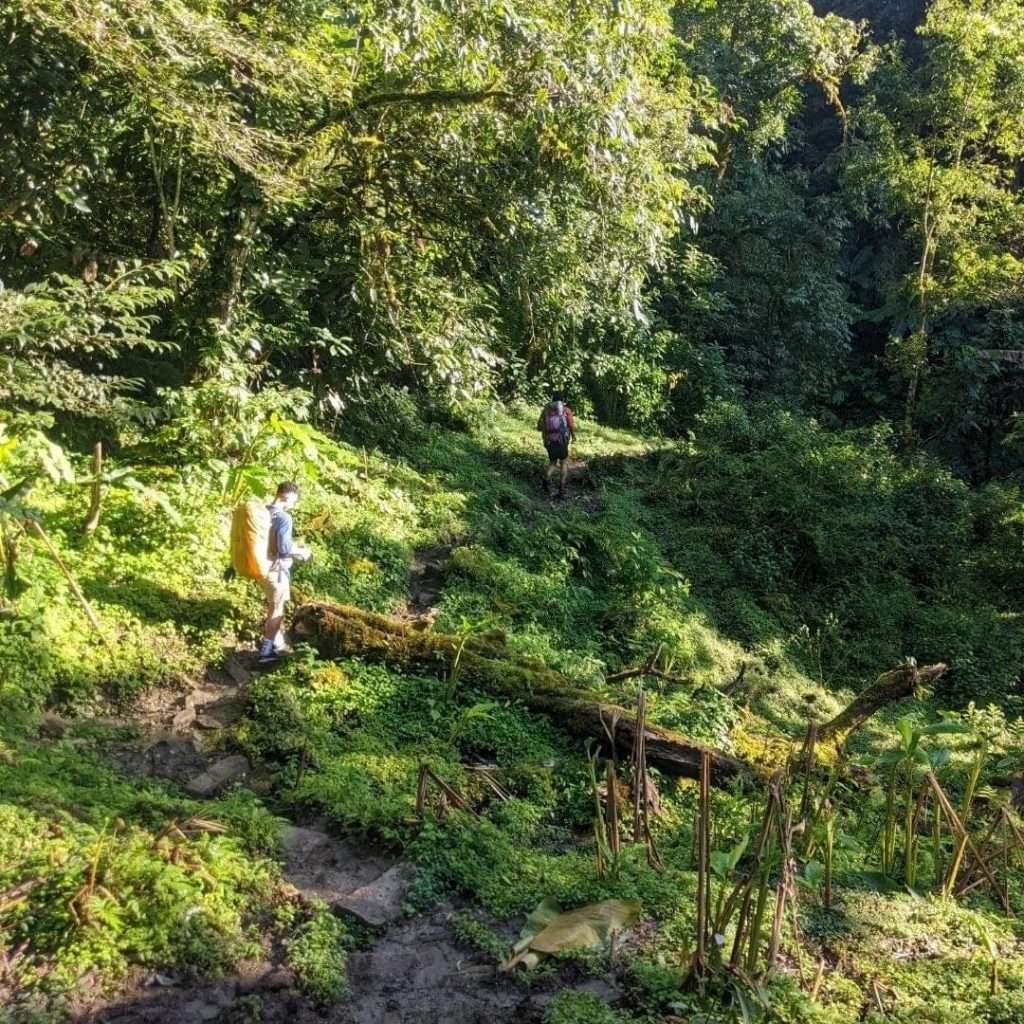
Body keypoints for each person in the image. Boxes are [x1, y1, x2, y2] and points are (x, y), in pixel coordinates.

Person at [258, 481, 311, 664]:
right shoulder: (284, 518)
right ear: (288, 497)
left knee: (273, 605)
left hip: (260, 567)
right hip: (276, 570)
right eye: (293, 502)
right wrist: (302, 552)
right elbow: (285, 548)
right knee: (277, 611)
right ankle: (265, 652)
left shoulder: (263, 512)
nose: (293, 506)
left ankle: (278, 644)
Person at [537, 391, 576, 499]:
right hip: (562, 441)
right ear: (562, 401)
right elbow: (571, 425)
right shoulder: (566, 410)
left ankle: (546, 480)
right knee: (564, 463)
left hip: (549, 441)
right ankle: (562, 489)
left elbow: (539, 426)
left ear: (552, 399)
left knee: (553, 462)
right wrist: (573, 436)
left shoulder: (545, 410)